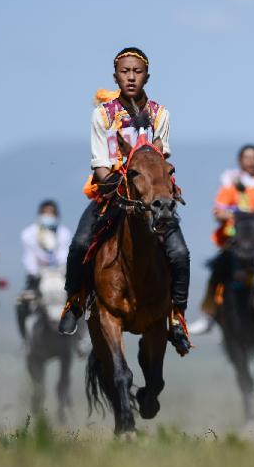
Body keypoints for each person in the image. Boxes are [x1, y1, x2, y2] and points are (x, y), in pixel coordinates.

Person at [57, 47, 192, 355]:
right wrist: (125, 184)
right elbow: (101, 166)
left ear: (147, 76)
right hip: (114, 195)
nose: (131, 77)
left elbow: (160, 158)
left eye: (137, 71)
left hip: (153, 198)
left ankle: (177, 317)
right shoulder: (102, 114)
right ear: (115, 76)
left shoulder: (161, 114)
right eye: (125, 71)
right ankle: (75, 301)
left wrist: (150, 187)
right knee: (80, 244)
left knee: (180, 254)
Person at [192, 145, 254, 336]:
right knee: (218, 270)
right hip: (234, 242)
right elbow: (218, 211)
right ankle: (208, 314)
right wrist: (231, 215)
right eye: (246, 158)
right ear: (240, 161)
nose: (250, 161)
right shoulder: (231, 185)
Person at [16, 200, 72, 337]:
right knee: (21, 304)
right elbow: (29, 258)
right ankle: (25, 339)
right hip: (37, 277)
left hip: (60, 275)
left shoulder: (64, 233)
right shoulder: (29, 234)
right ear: (39, 214)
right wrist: (36, 273)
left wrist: (60, 270)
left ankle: (80, 339)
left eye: (51, 213)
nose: (48, 216)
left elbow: (64, 255)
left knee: (79, 301)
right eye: (45, 212)